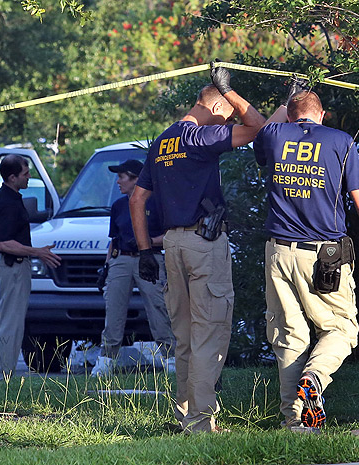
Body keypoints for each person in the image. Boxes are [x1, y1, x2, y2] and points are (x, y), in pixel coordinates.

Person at [129, 64, 265, 433]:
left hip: (171, 244)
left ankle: (185, 415)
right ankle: (201, 423)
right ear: (217, 109)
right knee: (209, 333)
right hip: (204, 245)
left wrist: (144, 250)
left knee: (185, 337)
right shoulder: (199, 137)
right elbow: (258, 128)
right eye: (224, 116)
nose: (225, 126)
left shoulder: (162, 141)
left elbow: (137, 199)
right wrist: (232, 93)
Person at [254, 89, 359, 431]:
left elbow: (263, 129)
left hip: (278, 252)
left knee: (289, 335)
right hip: (323, 256)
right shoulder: (340, 141)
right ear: (322, 114)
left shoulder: (274, 134)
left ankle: (294, 421)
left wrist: (282, 104)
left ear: (288, 115)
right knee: (341, 327)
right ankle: (314, 377)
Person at [91, 159, 176, 377]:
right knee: (114, 309)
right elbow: (114, 239)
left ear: (136, 179)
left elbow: (170, 236)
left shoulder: (156, 202)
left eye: (122, 177)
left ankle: (170, 356)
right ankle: (106, 359)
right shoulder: (119, 205)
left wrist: (146, 241)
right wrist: (107, 266)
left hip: (149, 257)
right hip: (121, 259)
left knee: (158, 307)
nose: (118, 181)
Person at [0, 154, 61, 382]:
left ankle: (5, 374)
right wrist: (38, 252)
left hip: (16, 268)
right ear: (12, 177)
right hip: (12, 268)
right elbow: (4, 243)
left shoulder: (11, 197)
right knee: (11, 322)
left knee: (14, 321)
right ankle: (4, 377)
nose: (29, 177)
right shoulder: (6, 202)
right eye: (25, 173)